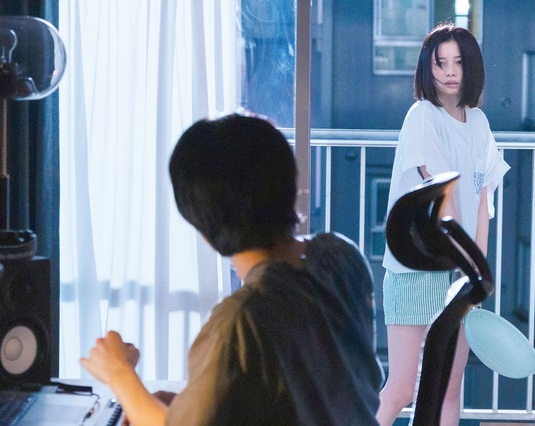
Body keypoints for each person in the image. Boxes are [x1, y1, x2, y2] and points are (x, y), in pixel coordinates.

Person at [80, 112, 384, 425]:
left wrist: (120, 373)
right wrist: (187, 404)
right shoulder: (341, 257)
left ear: (202, 221)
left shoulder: (239, 322)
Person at [376, 23, 510, 426]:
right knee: (403, 388)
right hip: (416, 270)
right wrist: (467, 264)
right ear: (427, 68)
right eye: (441, 63)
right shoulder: (423, 116)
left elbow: (482, 199)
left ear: (471, 68)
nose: (450, 72)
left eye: (458, 62)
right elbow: (442, 198)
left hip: (459, 273)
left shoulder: (479, 122)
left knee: (449, 388)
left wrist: (477, 273)